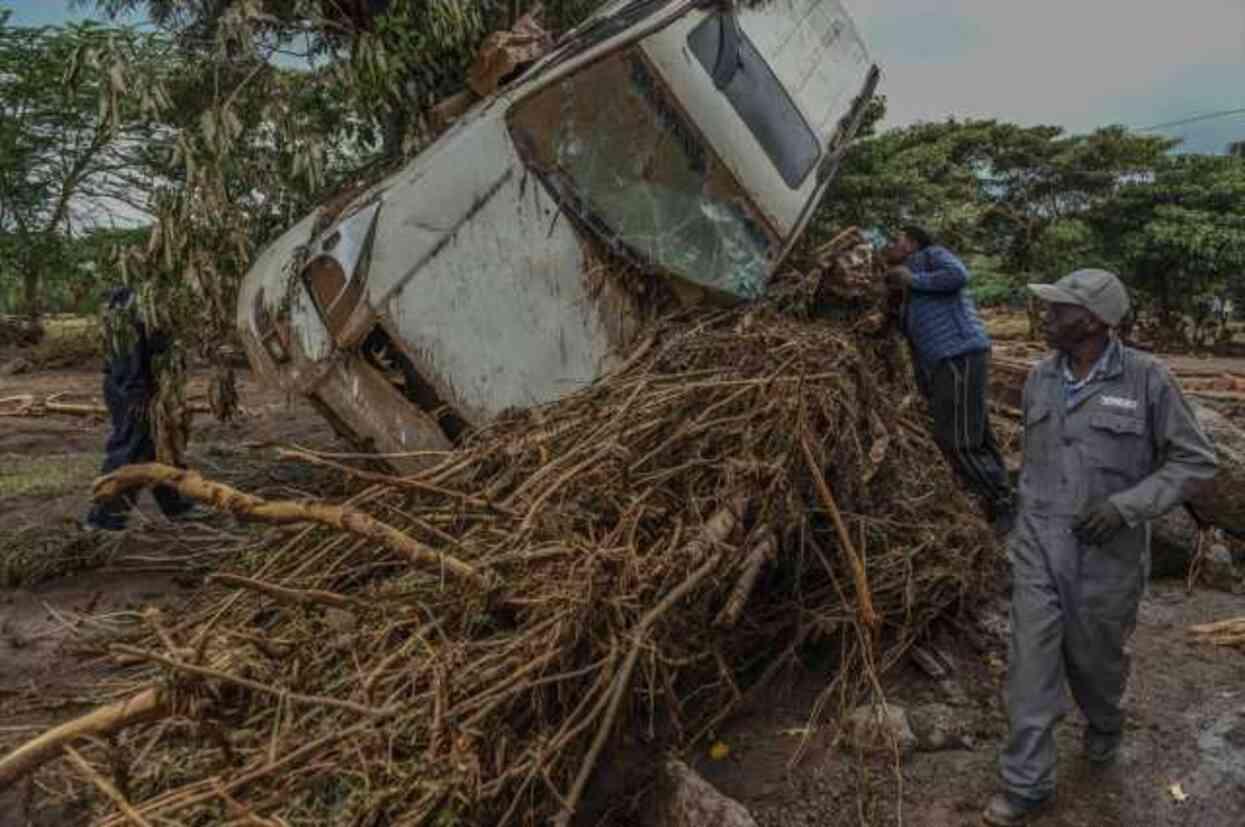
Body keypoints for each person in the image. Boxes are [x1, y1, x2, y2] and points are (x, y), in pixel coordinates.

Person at [982, 269, 1218, 826]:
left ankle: (1105, 722)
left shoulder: (1148, 380)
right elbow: (1038, 461)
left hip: (1106, 557)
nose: (1046, 317)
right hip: (1040, 544)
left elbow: (1195, 460)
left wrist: (1125, 506)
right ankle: (1027, 783)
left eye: (1058, 310)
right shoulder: (1040, 377)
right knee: (1029, 664)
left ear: (1092, 321)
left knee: (1096, 665)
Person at [884, 225, 1014, 531]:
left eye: (897, 239)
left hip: (958, 350)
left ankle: (1001, 500)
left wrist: (912, 280)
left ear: (914, 243)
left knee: (956, 436)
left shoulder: (931, 256)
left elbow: (959, 275)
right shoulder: (906, 285)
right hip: (945, 360)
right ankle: (1001, 497)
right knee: (975, 430)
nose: (891, 244)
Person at [84, 286, 200, 532]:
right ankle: (104, 520)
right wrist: (135, 391)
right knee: (130, 448)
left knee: (159, 447)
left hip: (145, 387)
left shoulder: (152, 298)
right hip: (131, 388)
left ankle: (178, 506)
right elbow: (128, 352)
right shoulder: (132, 305)